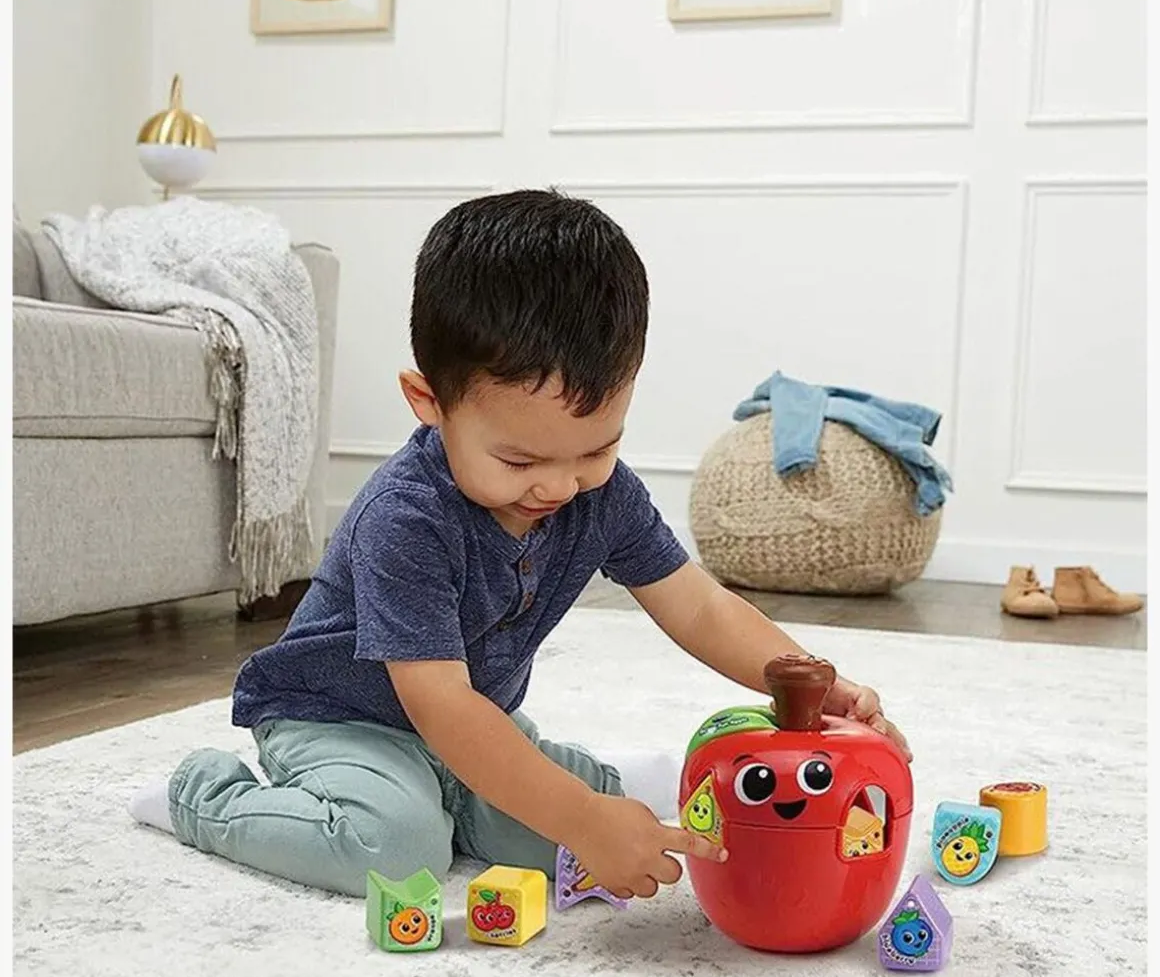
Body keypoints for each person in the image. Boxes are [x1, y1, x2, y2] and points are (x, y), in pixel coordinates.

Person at [131, 189, 909, 902]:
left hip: (473, 726)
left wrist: (810, 685)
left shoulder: (601, 491)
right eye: (519, 460)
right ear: (430, 402)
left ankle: (581, 784)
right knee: (401, 850)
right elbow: (441, 705)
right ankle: (204, 797)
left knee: (567, 834)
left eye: (596, 448)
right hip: (340, 720)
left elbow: (699, 606)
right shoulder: (405, 519)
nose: (561, 485)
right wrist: (584, 817)